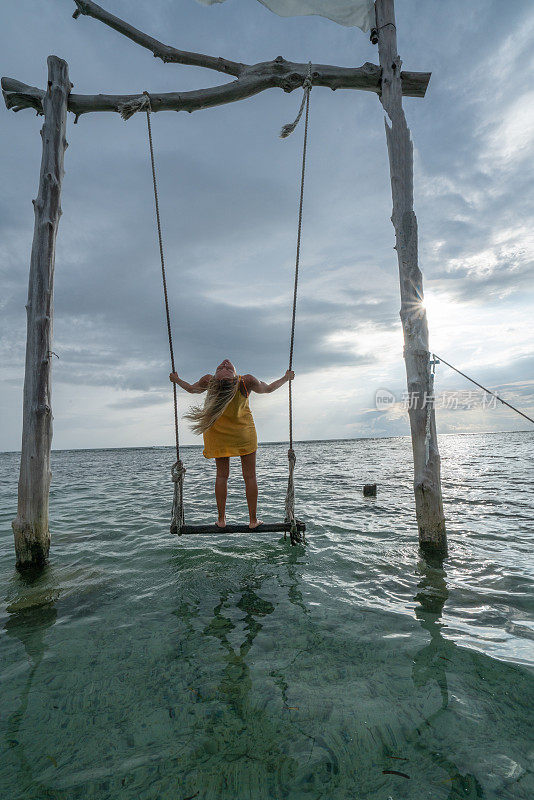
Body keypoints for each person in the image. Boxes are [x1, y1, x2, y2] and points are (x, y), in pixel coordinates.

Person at [170, 359, 294, 530]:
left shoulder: (209, 381)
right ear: (235, 377)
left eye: (224, 367)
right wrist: (285, 378)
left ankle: (221, 520)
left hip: (218, 433)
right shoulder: (245, 382)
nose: (225, 363)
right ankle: (252, 520)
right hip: (243, 432)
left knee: (222, 476)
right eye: (224, 367)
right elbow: (267, 389)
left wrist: (177, 380)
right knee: (249, 477)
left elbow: (192, 389)